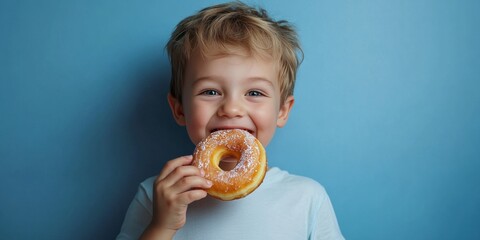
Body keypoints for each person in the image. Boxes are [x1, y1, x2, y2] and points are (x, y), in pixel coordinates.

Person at [117, 2, 344, 239]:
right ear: (180, 109)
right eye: (210, 92)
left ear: (282, 111)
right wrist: (161, 226)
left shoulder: (307, 198)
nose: (232, 109)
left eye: (254, 93)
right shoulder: (157, 196)